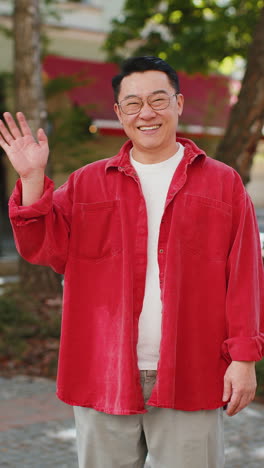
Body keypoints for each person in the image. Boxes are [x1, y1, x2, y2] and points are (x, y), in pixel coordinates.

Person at [0, 56, 263, 468]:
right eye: (133, 103)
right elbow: (42, 248)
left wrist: (244, 359)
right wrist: (33, 179)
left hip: (192, 371)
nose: (147, 113)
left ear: (178, 103)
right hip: (102, 371)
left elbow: (245, 276)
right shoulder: (87, 183)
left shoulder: (223, 183)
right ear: (119, 113)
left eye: (158, 100)